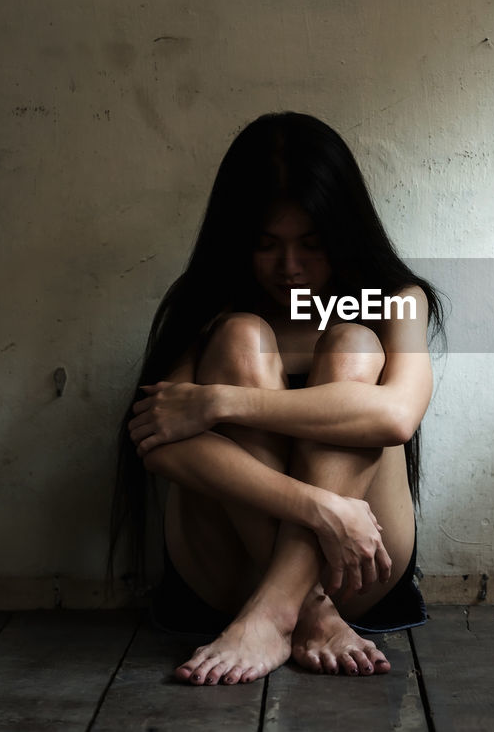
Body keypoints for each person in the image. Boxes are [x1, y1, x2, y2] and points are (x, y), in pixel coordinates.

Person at [108, 112, 443, 685]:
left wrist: (221, 403)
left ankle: (275, 610)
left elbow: (395, 416)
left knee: (355, 345)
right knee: (239, 336)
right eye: (267, 246)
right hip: (232, 565)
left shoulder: (394, 300)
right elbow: (157, 442)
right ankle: (305, 611)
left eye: (312, 245)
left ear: (344, 234)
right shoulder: (208, 304)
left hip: (361, 567)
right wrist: (319, 508)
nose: (290, 268)